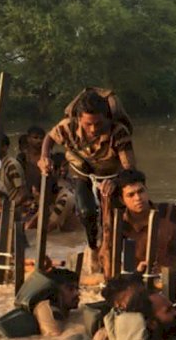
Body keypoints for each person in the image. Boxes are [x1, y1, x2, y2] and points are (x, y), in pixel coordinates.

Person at [39, 88, 136, 270]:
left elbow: (130, 168)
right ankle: (93, 248)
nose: (93, 129)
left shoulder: (119, 132)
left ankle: (114, 256)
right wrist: (44, 157)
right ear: (79, 120)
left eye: (98, 124)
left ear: (107, 118)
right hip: (82, 173)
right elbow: (49, 139)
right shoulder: (68, 126)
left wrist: (115, 182)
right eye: (87, 124)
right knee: (86, 212)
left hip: (112, 176)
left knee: (115, 221)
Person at [99, 168, 176, 279]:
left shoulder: (170, 212)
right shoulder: (121, 226)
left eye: (141, 191)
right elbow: (108, 263)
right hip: (140, 279)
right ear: (122, 200)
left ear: (146, 190)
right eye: (131, 195)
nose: (138, 198)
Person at [0, 267, 81, 338]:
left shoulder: (59, 308)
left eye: (77, 288)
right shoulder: (46, 308)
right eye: (70, 289)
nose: (77, 293)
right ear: (56, 292)